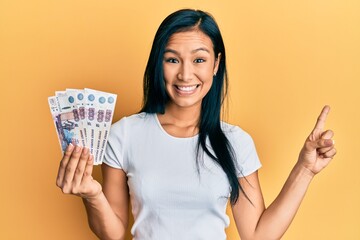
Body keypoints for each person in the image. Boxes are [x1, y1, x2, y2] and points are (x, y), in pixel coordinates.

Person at [56, 9, 336, 240]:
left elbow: (258, 235)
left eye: (199, 59)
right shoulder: (124, 135)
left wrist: (305, 169)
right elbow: (113, 235)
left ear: (216, 64)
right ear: (159, 63)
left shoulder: (236, 143)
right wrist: (92, 195)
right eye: (172, 60)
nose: (185, 74)